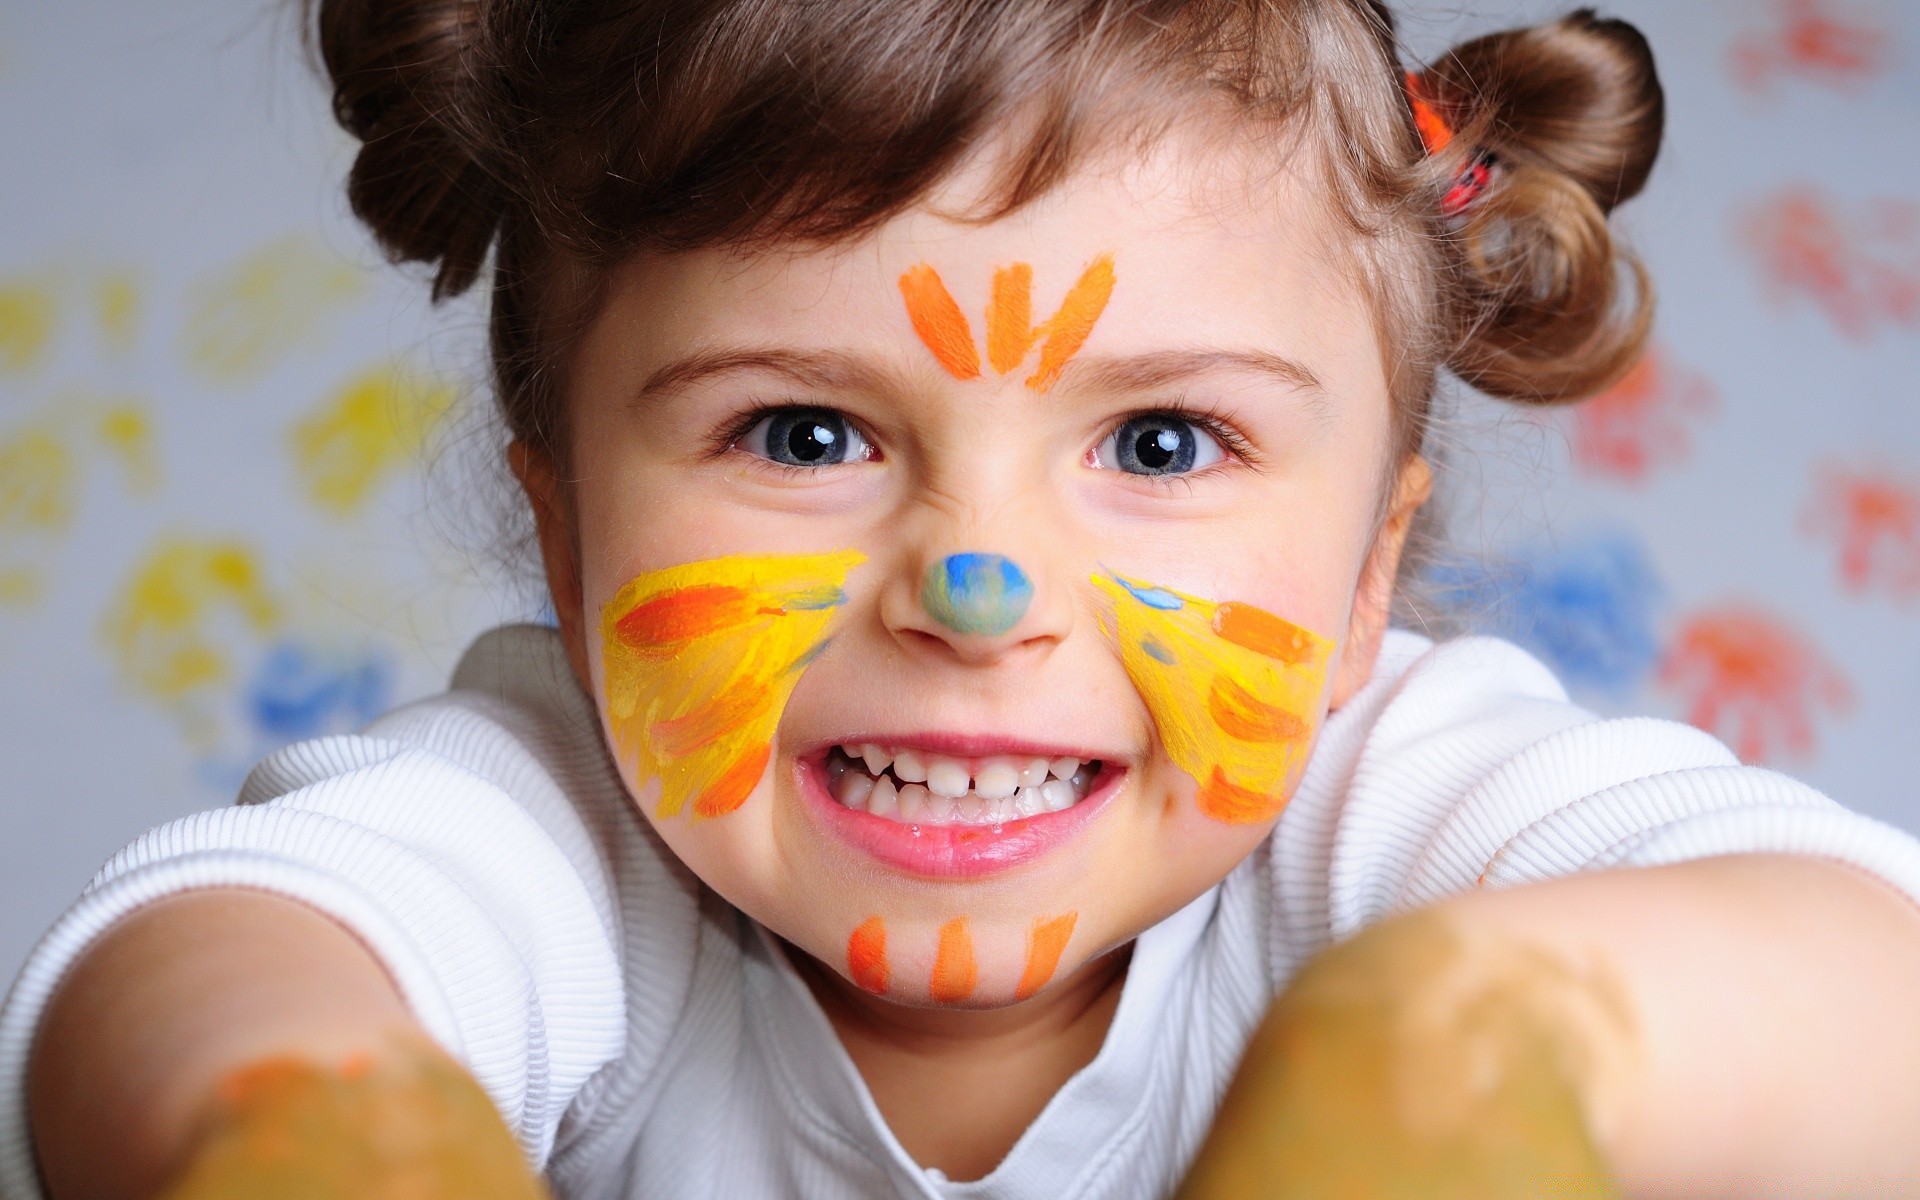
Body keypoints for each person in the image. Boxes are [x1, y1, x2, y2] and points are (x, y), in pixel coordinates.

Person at [10, 2, 1920, 1197]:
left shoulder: (1385, 817)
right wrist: (308, 1117)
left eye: (1164, 445)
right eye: (804, 433)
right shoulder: (559, 832)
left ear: (1361, 589)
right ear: (574, 546)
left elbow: (1875, 989)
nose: (978, 588)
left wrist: (1464, 1036)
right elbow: (222, 956)